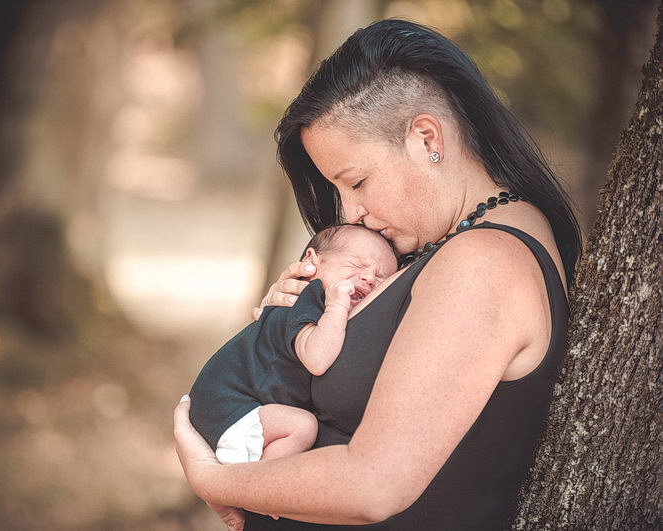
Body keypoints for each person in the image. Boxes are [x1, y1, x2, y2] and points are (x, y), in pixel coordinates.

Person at [174, 19, 581, 530]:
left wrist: (212, 479)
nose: (351, 212)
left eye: (358, 181)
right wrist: (292, 326)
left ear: (425, 137)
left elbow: (373, 484)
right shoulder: (450, 246)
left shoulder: (484, 262)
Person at [189, 224, 398, 529]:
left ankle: (237, 499)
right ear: (311, 262)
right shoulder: (307, 302)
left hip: (238, 411)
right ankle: (264, 492)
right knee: (302, 425)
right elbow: (317, 359)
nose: (368, 277)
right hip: (228, 406)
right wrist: (338, 306)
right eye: (356, 265)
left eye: (381, 279)